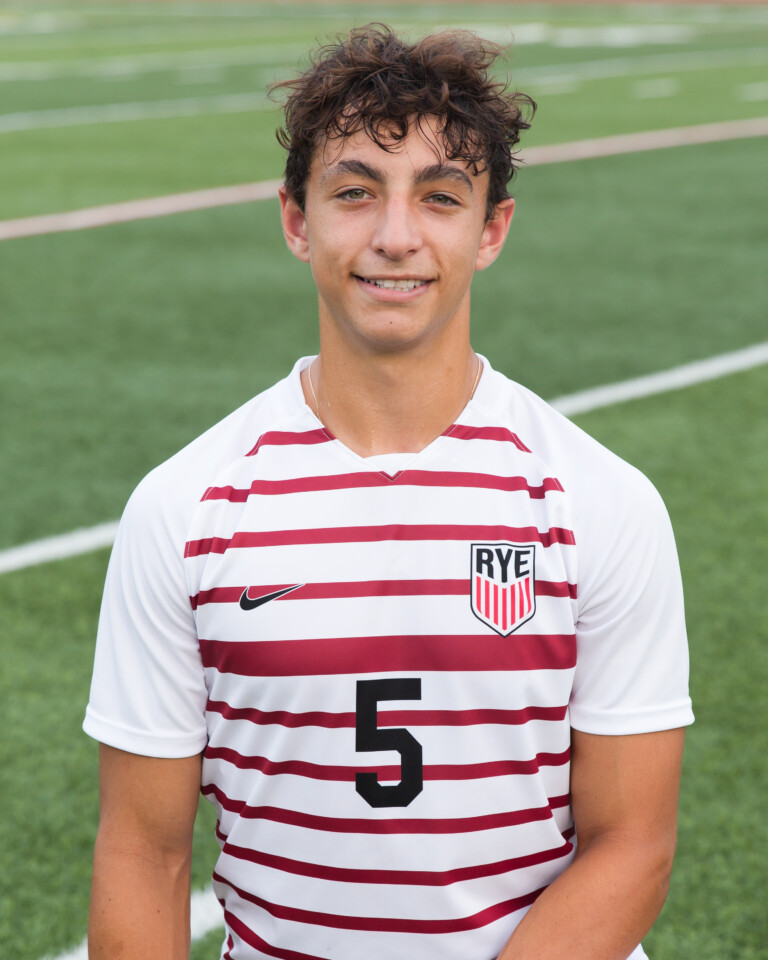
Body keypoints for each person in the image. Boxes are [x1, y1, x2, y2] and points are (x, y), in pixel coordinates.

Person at [84, 24, 693, 960]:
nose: (396, 237)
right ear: (297, 220)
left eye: (440, 197)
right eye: (356, 192)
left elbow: (634, 845)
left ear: (492, 230)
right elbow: (145, 852)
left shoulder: (596, 500)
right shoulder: (187, 507)